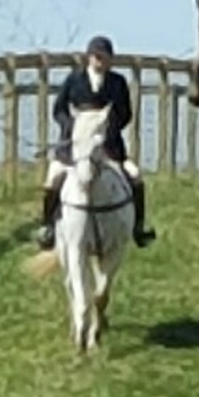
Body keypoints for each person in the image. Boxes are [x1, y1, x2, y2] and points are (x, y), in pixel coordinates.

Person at [37, 37, 155, 251]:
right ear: (89, 58)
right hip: (74, 147)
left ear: (110, 60)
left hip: (108, 147)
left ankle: (138, 226)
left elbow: (126, 113)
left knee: (136, 175)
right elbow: (59, 109)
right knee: (53, 177)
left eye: (105, 58)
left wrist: (108, 128)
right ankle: (47, 227)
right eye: (97, 57)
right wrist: (72, 127)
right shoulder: (74, 80)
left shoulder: (117, 82)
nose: (100, 62)